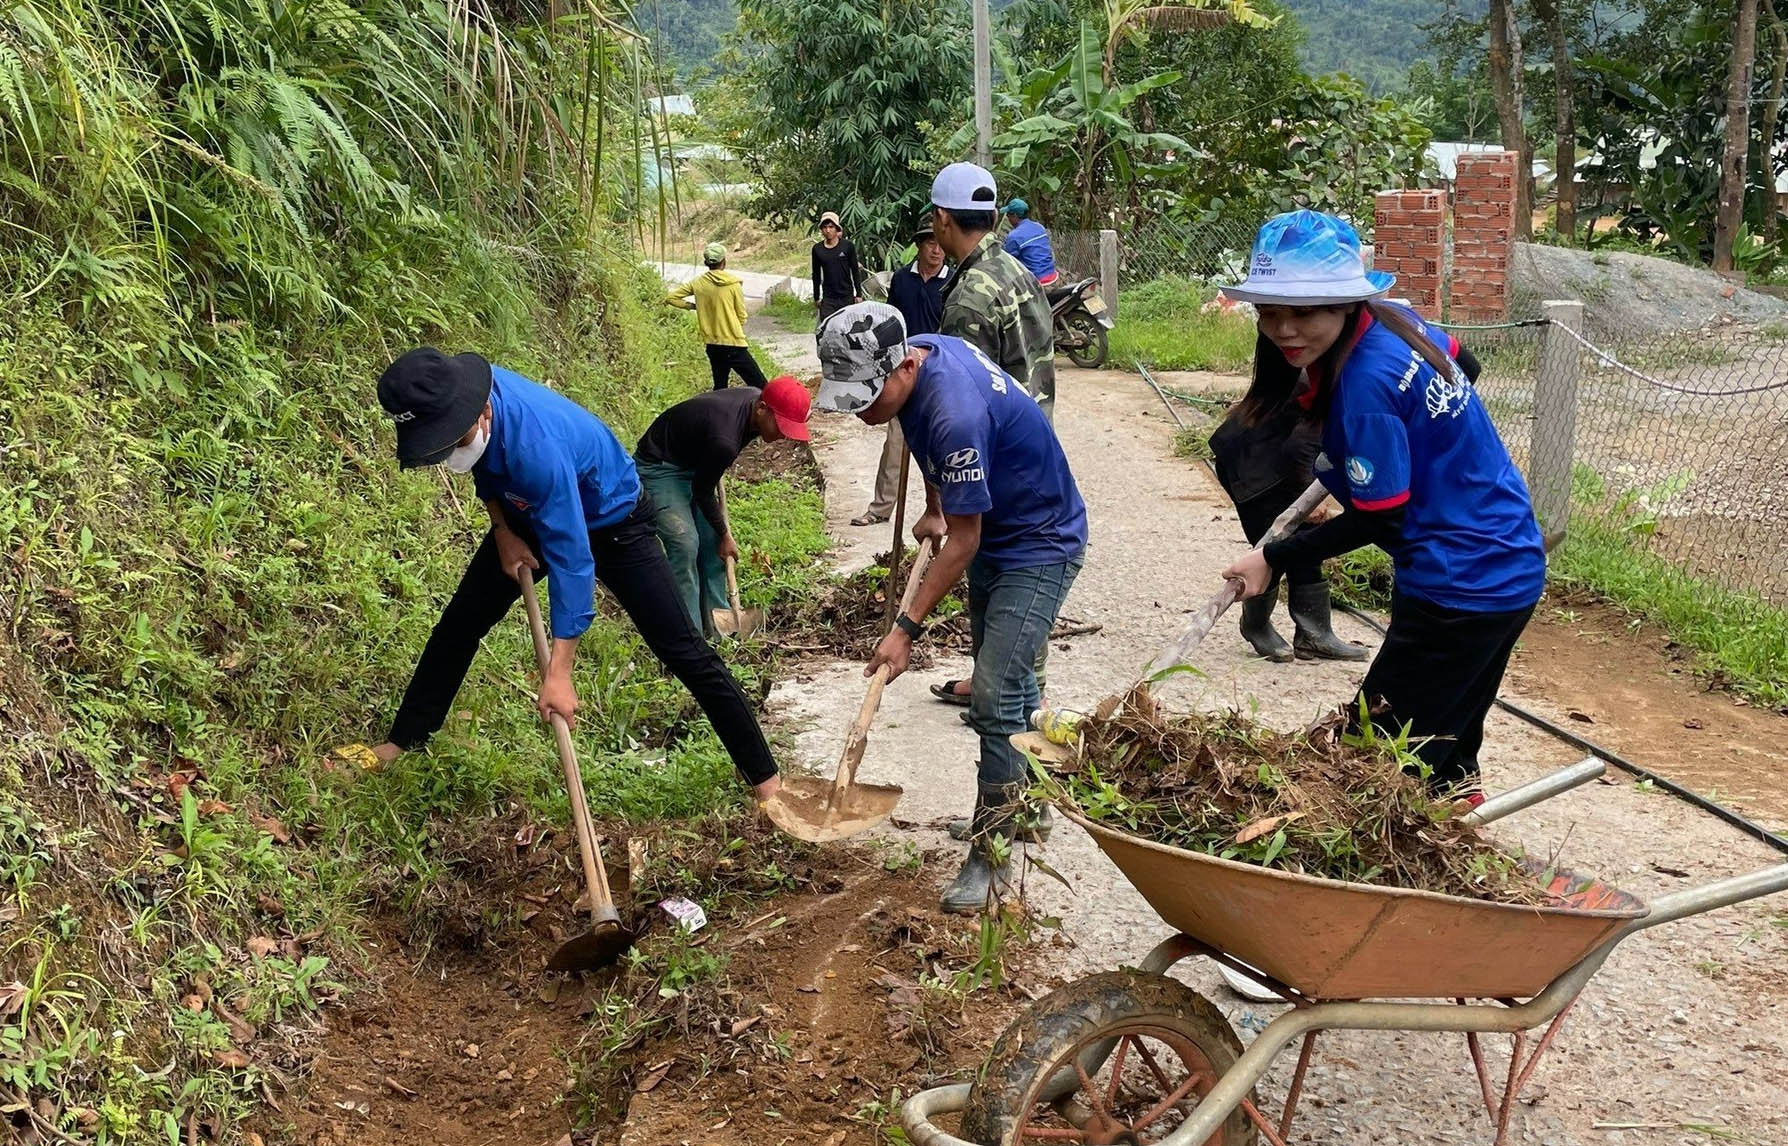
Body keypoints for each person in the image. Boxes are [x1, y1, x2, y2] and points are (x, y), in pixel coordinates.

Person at [1218, 211, 1545, 803]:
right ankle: (1454, 831)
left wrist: (1275, 557)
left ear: (1344, 303)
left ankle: (1399, 870)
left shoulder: (1364, 387)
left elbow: (1382, 515)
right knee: (1443, 737)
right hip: (1507, 556)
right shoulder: (1395, 320)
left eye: (1305, 311)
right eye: (1270, 311)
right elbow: (1464, 365)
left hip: (1461, 583)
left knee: (1373, 759)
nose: (1284, 329)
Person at [365, 347, 781, 802]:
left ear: (484, 412)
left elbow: (574, 560)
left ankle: (767, 782)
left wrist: (559, 674)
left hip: (614, 520)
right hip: (524, 511)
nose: (450, 450)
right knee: (460, 623)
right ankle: (404, 739)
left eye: (454, 440)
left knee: (684, 650)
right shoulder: (461, 392)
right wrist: (503, 530)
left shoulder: (534, 449)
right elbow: (486, 465)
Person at [815, 302, 1087, 914]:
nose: (860, 410)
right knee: (1009, 678)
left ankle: (992, 856)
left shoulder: (955, 414)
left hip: (1037, 543)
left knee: (992, 693)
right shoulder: (925, 353)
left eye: (866, 394)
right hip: (994, 526)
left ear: (905, 365)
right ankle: (1028, 804)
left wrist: (905, 628)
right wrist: (937, 503)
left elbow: (964, 541)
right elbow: (923, 439)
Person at [926, 163, 1059, 710]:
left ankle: (1003, 694)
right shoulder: (1015, 269)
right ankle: (1013, 681)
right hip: (1037, 441)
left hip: (1000, 457)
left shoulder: (968, 299)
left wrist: (945, 493)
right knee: (1021, 571)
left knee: (995, 571)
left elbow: (964, 398)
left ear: (941, 217)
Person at [635, 377, 813, 637]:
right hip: (660, 467)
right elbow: (702, 491)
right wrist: (725, 534)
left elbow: (704, 482)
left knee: (712, 549)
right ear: (762, 408)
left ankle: (719, 626)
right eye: (781, 425)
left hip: (696, 462)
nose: (782, 435)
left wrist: (719, 536)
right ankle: (688, 638)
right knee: (685, 545)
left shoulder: (754, 403)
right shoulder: (725, 438)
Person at [853, 218, 950, 528]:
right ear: (919, 246)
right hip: (901, 370)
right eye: (930, 244)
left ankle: (946, 513)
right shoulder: (901, 279)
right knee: (895, 442)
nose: (937, 251)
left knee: (940, 445)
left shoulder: (953, 282)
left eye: (940, 245)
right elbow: (890, 322)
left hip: (936, 373)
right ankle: (880, 509)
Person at [665, 243, 767, 391]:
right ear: (724, 261)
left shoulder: (697, 283)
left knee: (720, 387)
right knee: (761, 385)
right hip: (734, 344)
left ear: (706, 263)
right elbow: (741, 315)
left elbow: (671, 298)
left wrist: (694, 306)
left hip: (713, 344)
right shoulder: (734, 284)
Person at [811, 211, 863, 330]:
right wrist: (816, 297)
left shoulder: (847, 246)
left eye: (831, 227)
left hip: (846, 296)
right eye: (825, 227)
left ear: (837, 229)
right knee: (828, 330)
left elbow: (855, 270)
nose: (828, 230)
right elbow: (816, 274)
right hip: (829, 298)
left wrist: (859, 294)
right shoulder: (817, 249)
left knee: (848, 330)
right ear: (821, 229)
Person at [1000, 198, 1058, 289]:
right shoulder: (1039, 227)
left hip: (1036, 281)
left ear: (1014, 216)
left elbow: (1007, 262)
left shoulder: (1014, 236)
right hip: (1052, 275)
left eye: (1008, 215)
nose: (1007, 218)